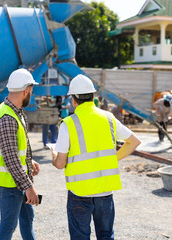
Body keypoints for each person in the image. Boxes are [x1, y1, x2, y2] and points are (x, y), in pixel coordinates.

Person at [51, 74, 141, 240]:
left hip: (80, 192)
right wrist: (114, 158)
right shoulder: (108, 118)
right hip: (105, 190)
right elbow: (134, 142)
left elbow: (60, 164)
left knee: (80, 236)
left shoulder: (69, 124)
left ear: (73, 99)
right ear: (93, 96)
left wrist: (54, 156)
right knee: (106, 235)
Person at [0, 68, 41, 240]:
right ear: (25, 90)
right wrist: (29, 187)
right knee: (8, 226)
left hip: (17, 181)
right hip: (11, 185)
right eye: (31, 92)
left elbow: (17, 149)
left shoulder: (15, 112)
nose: (31, 96)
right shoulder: (7, 118)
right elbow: (10, 160)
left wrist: (28, 161)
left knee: (27, 219)